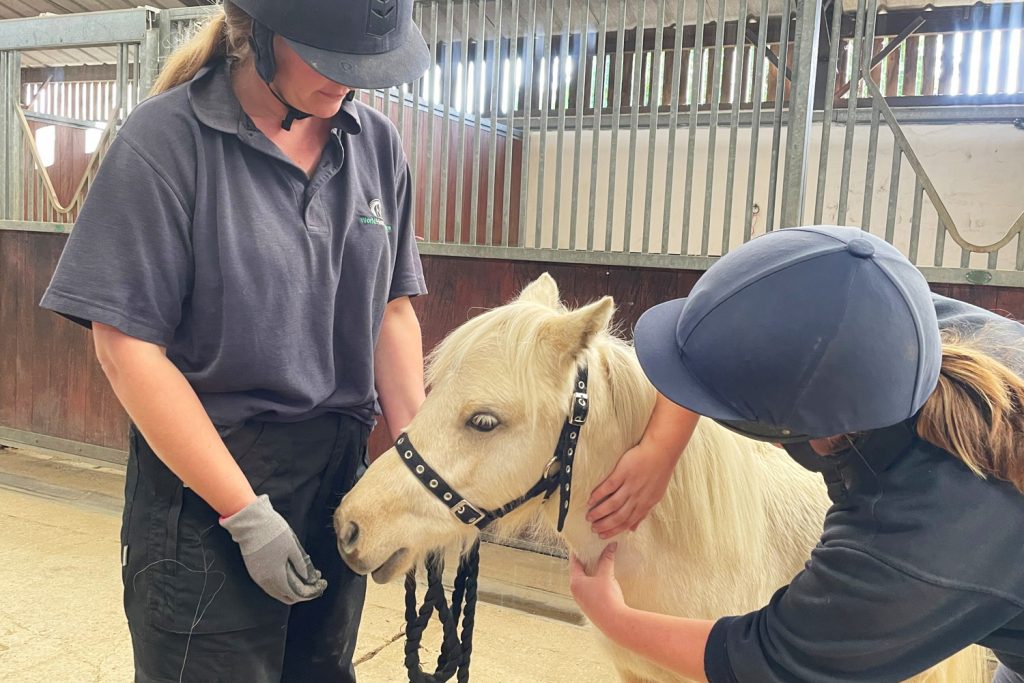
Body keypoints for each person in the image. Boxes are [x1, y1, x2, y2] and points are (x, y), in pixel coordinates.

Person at [39, 1, 430, 680]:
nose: (349, 82)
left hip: (336, 476)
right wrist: (244, 512)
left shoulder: (375, 144)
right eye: (330, 58)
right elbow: (126, 348)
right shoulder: (164, 143)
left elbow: (391, 311)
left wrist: (420, 473)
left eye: (365, 66)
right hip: (208, 490)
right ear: (262, 34)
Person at [569, 225, 1024, 683]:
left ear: (798, 435)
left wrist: (612, 618)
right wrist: (658, 449)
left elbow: (771, 662)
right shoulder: (899, 328)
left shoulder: (914, 538)